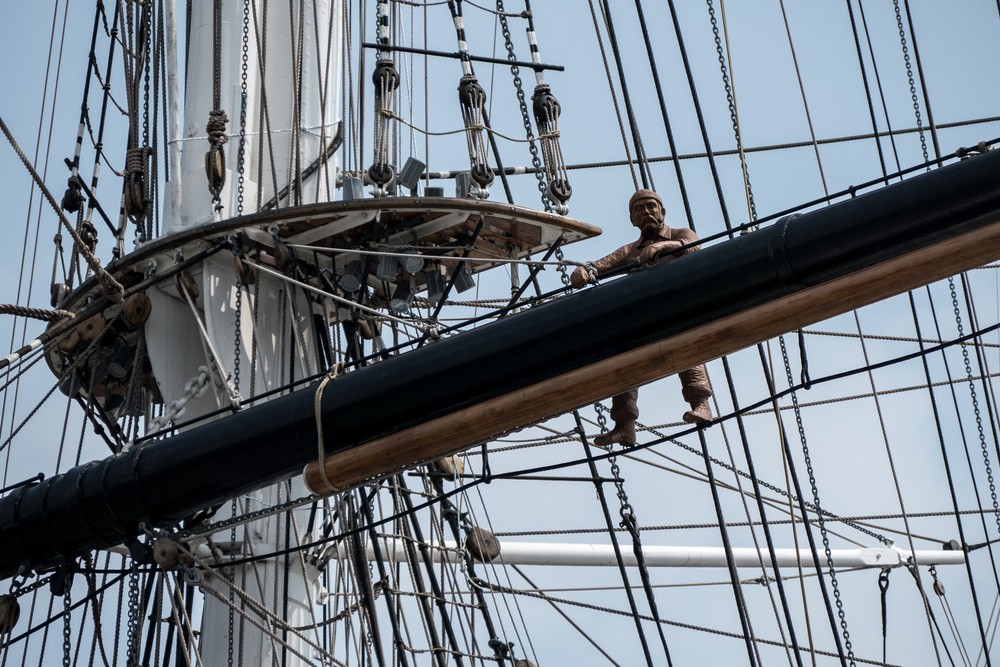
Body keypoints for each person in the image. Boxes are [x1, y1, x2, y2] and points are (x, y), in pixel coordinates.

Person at [570, 189, 713, 447]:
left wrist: (662, 246)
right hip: (642, 316)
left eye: (651, 206)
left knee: (684, 349)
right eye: (639, 209)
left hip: (675, 308)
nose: (646, 212)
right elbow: (600, 265)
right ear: (632, 220)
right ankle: (624, 427)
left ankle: (701, 405)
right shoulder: (630, 250)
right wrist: (583, 270)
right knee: (625, 365)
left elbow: (693, 246)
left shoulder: (680, 234)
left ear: (662, 212)